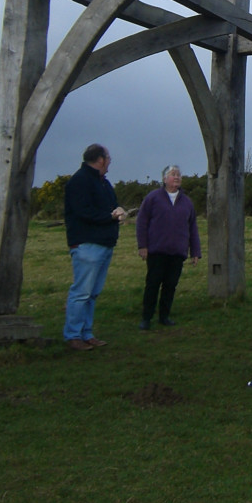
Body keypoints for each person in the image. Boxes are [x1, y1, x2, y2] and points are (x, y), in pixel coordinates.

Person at [63, 144, 127, 351]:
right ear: (100, 159)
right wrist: (110, 216)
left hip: (104, 244)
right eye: (108, 158)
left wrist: (117, 211)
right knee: (81, 292)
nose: (109, 162)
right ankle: (73, 335)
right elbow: (83, 212)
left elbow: (108, 207)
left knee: (92, 293)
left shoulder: (104, 183)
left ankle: (86, 333)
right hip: (87, 244)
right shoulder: (80, 181)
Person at [136, 165, 201, 330]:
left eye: (179, 174)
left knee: (170, 286)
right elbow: (142, 222)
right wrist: (142, 245)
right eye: (173, 174)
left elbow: (192, 228)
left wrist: (195, 252)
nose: (177, 177)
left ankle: (164, 316)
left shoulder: (187, 202)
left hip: (177, 252)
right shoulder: (153, 198)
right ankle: (146, 318)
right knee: (152, 284)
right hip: (157, 251)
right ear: (165, 179)